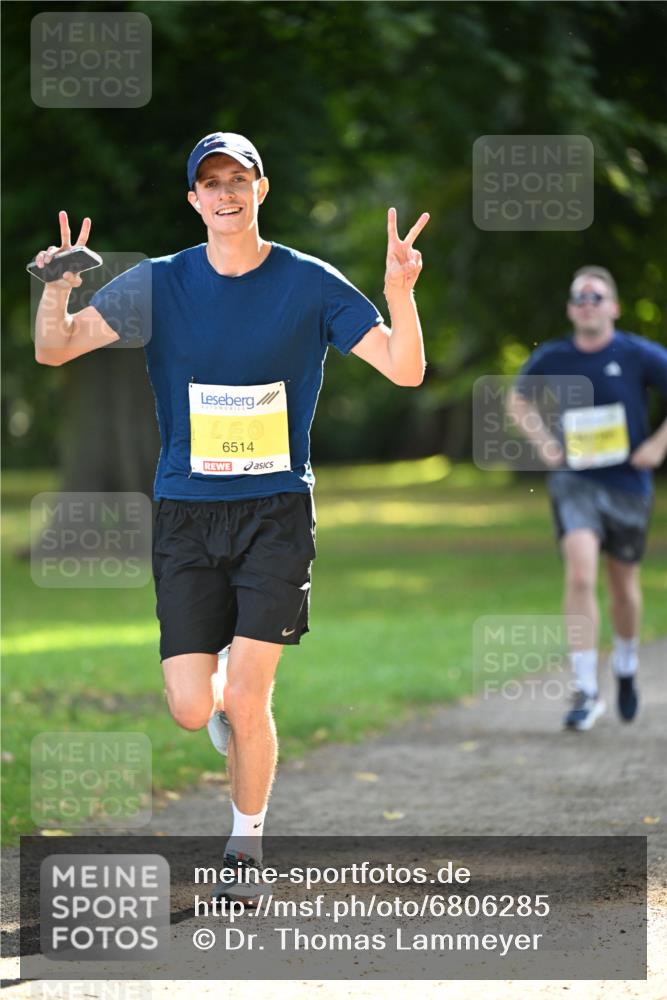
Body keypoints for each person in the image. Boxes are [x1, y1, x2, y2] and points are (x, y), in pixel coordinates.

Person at [33, 131, 429, 900]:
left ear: (259, 189)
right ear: (193, 199)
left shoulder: (309, 282)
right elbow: (57, 349)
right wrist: (56, 288)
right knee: (192, 709)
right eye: (210, 182)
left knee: (249, 697)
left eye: (237, 180)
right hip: (186, 511)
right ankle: (216, 695)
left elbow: (405, 368)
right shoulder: (158, 283)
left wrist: (400, 293)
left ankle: (245, 849)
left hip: (276, 512)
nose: (225, 193)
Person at [507, 266, 667, 731]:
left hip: (628, 485)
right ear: (570, 308)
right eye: (580, 297)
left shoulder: (637, 353)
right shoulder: (554, 356)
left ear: (613, 306)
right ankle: (585, 688)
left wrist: (657, 446)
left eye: (597, 296)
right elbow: (518, 400)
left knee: (623, 589)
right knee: (580, 574)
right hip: (575, 481)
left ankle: (626, 664)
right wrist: (544, 444)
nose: (588, 303)